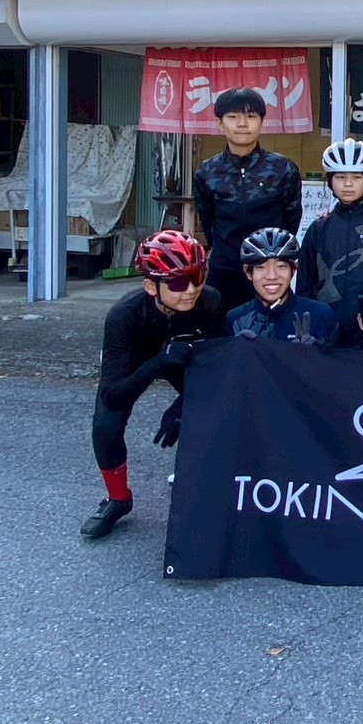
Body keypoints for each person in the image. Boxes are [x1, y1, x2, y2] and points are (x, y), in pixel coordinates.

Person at [81, 230, 226, 539]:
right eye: (177, 283)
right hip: (142, 356)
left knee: (211, 408)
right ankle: (118, 500)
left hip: (184, 356)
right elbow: (113, 394)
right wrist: (159, 362)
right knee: (105, 425)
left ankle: (205, 485)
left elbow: (217, 375)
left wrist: (181, 408)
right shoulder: (123, 316)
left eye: (198, 276)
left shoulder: (210, 301)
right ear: (150, 286)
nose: (190, 290)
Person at [193, 87, 303, 312]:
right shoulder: (207, 172)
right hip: (224, 270)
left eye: (251, 116)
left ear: (262, 122)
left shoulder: (283, 169)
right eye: (233, 117)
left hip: (268, 271)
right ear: (220, 123)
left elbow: (291, 219)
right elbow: (207, 220)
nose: (242, 124)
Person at [298, 138, 363, 346]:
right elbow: (304, 284)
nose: (347, 184)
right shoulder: (318, 228)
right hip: (323, 331)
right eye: (340, 177)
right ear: (330, 181)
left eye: (356, 177)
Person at [227, 227, 337, 345]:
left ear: (293, 269)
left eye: (281, 266)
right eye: (261, 267)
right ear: (248, 272)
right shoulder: (236, 319)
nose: (272, 276)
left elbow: (333, 356)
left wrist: (315, 351)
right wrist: (237, 350)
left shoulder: (320, 314)